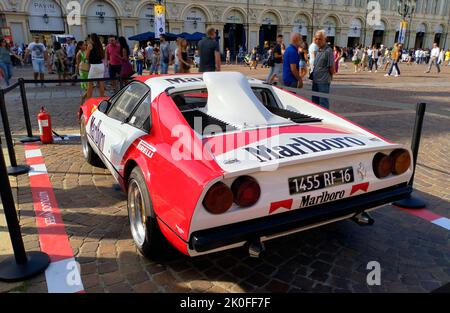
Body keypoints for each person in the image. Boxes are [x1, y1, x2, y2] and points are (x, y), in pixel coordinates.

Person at [311, 30, 335, 109]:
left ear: (325, 39)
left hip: (323, 81)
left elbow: (331, 67)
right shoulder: (318, 50)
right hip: (315, 80)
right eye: (316, 39)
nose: (317, 41)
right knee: (314, 102)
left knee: (323, 102)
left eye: (320, 39)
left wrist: (330, 76)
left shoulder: (328, 51)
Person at [86, 33, 105, 99]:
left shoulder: (90, 45)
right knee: (101, 83)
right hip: (101, 65)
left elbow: (87, 57)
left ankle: (88, 100)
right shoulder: (99, 45)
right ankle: (102, 98)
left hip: (94, 66)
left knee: (90, 84)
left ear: (91, 38)